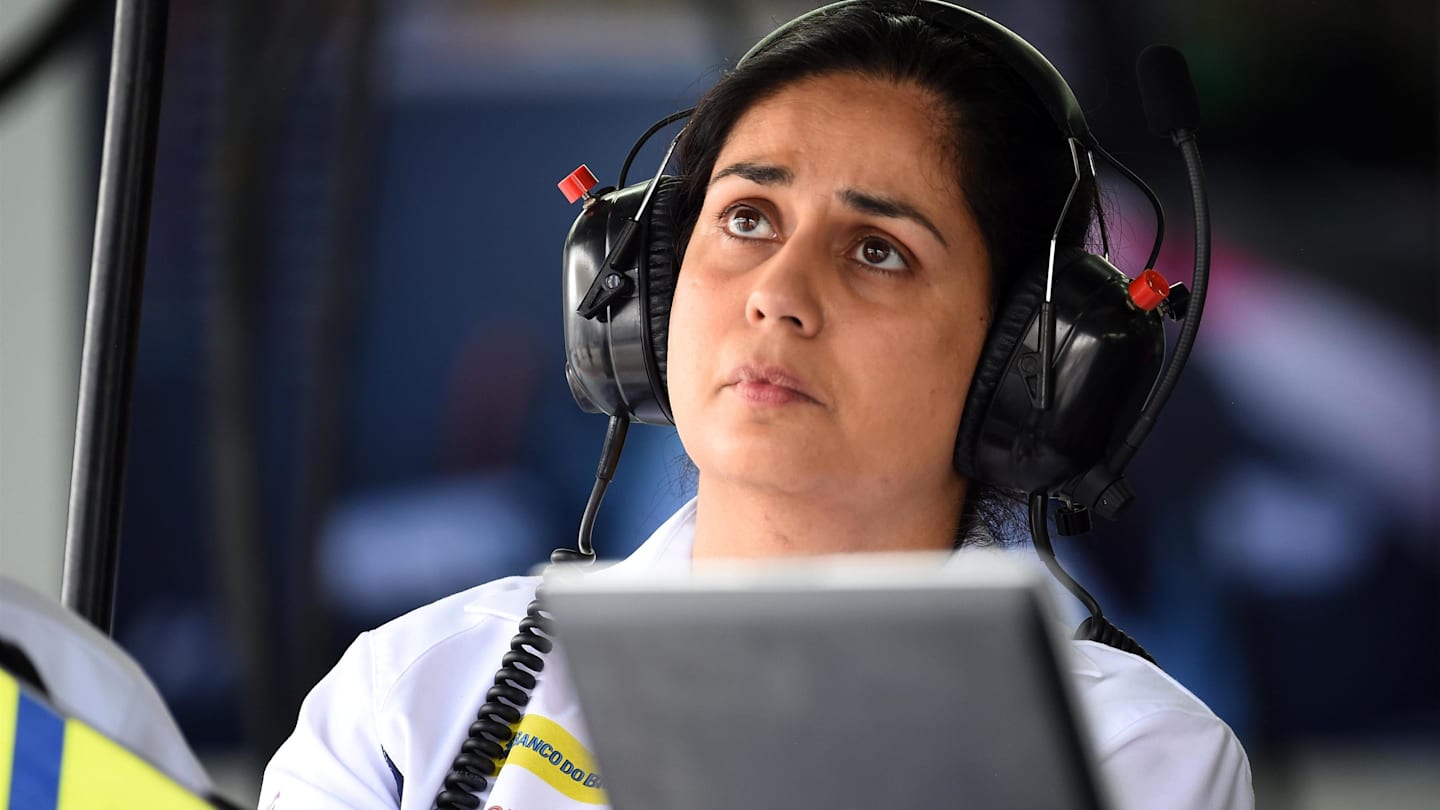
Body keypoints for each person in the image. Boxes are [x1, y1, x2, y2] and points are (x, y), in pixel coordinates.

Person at [259, 2, 1252, 808]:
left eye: (878, 251)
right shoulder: (413, 696)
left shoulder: (1136, 758)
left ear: (1027, 360)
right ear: (639, 285)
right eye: (747, 217)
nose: (778, 290)